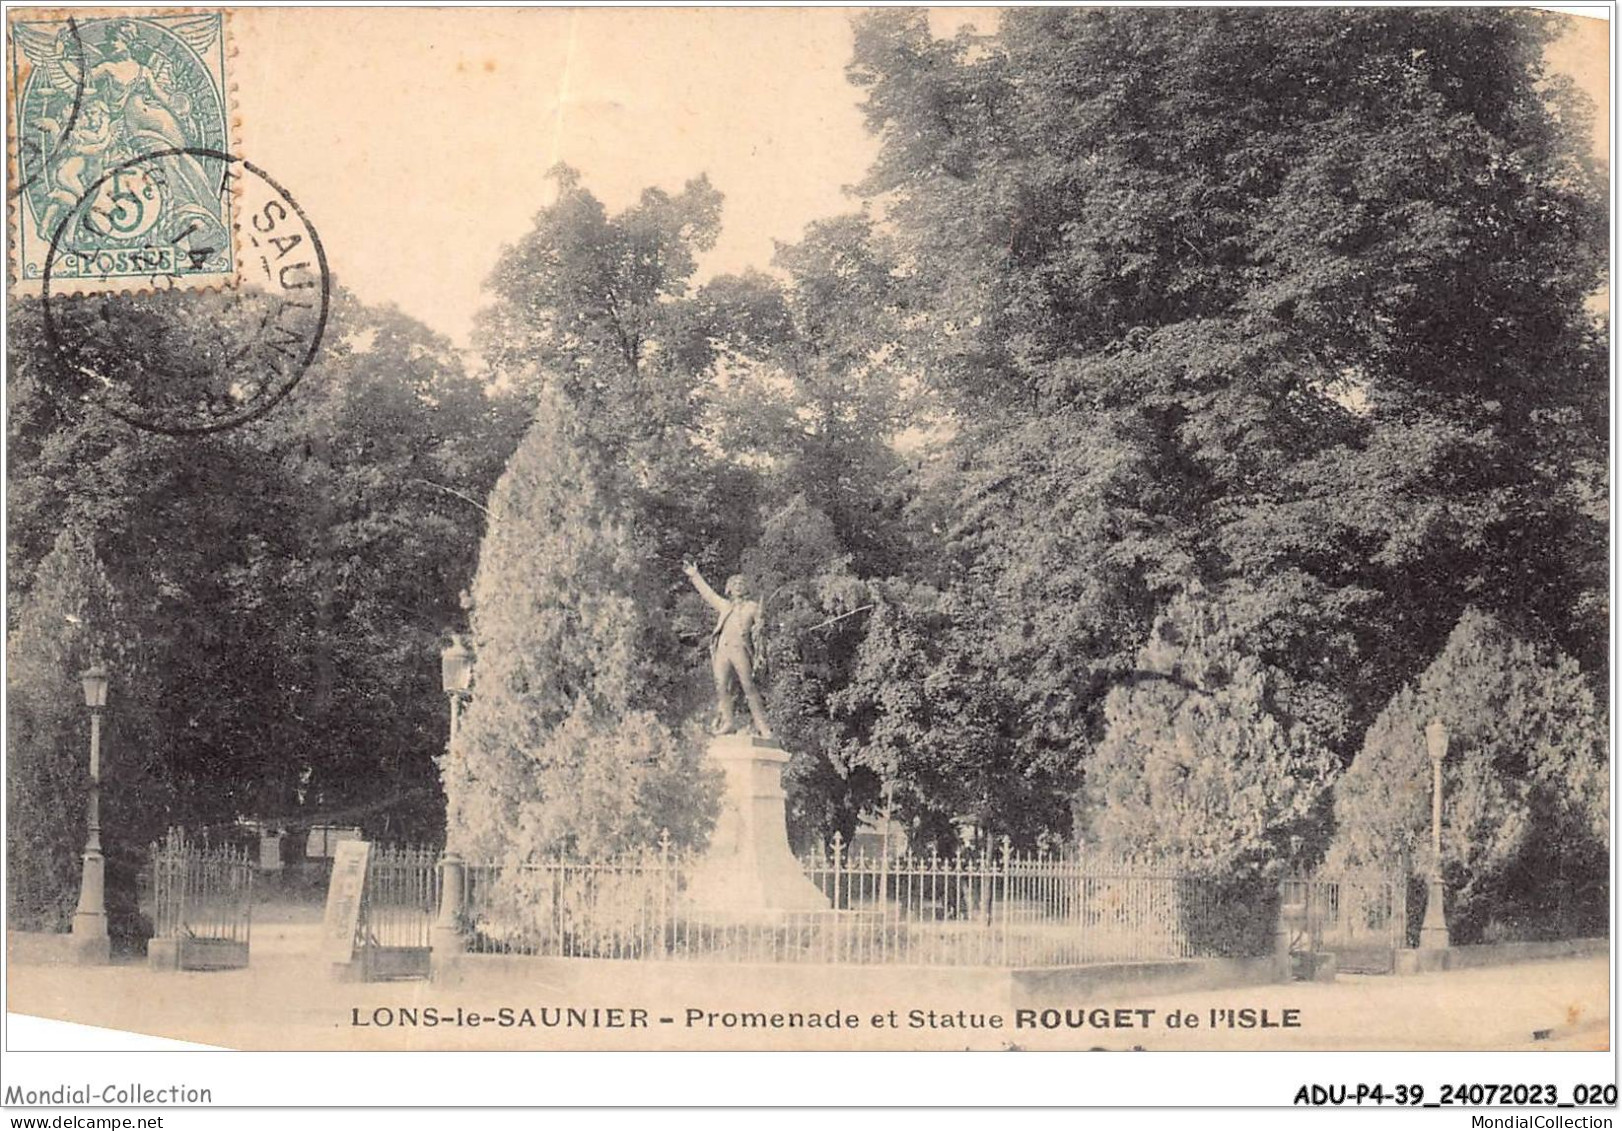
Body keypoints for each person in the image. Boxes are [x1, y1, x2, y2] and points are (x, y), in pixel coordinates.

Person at [682, 560, 772, 738]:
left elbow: (761, 631)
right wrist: (694, 575)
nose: (738, 586)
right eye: (734, 584)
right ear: (728, 589)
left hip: (740, 650)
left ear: (746, 588)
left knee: (749, 687)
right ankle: (728, 722)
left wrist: (761, 628)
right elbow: (708, 595)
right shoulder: (725, 605)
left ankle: (763, 726)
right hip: (723, 650)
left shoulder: (752, 607)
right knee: (721, 686)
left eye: (741, 584)